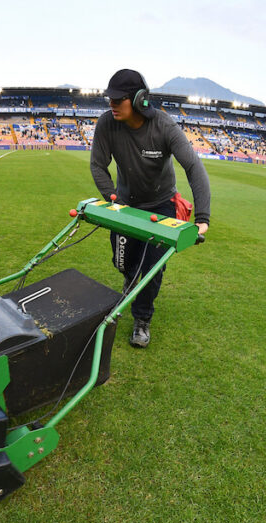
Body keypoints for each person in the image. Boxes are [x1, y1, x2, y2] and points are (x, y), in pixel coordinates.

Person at [90, 68, 211, 348]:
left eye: (118, 100)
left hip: (161, 205)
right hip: (123, 205)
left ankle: (142, 319)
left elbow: (193, 167)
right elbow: (98, 165)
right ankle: (130, 281)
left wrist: (202, 219)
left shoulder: (164, 126)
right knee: (124, 263)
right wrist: (111, 197)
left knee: (153, 267)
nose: (111, 104)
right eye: (109, 98)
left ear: (139, 100)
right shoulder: (107, 124)